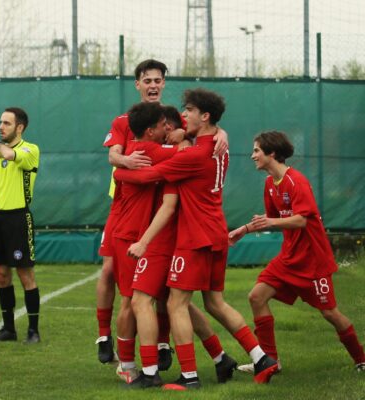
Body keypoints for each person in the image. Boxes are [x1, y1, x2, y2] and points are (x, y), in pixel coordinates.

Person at [114, 88, 278, 390]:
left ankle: (187, 376)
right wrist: (215, 132)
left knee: (175, 303)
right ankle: (261, 358)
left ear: (204, 116)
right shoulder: (218, 145)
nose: (182, 116)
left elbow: (151, 176)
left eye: (187, 110)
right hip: (215, 230)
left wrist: (119, 171)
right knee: (214, 303)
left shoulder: (193, 154)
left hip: (194, 236)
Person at [97, 59, 229, 367]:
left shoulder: (177, 119)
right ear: (138, 84)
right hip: (127, 213)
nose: (153, 85)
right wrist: (123, 163)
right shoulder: (126, 121)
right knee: (118, 279)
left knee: (166, 295)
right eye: (148, 80)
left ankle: (154, 356)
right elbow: (113, 155)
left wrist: (220, 132)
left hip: (164, 216)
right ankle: (108, 342)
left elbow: (202, 133)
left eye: (158, 80)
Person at [228, 130, 365, 373]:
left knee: (330, 313)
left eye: (257, 151)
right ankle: (270, 362)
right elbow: (270, 218)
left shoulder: (296, 181)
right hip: (289, 258)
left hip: (313, 261)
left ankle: (361, 360)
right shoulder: (270, 184)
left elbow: (302, 220)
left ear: (271, 153)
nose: (252, 156)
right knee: (256, 297)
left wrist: (269, 223)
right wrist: (243, 229)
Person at [0, 107, 41, 344]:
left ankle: (33, 330)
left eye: (6, 123)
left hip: (18, 219)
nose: (1, 127)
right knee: (2, 275)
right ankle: (9, 329)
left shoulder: (29, 150)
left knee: (25, 275)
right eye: (0, 122)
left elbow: (11, 156)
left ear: (20, 127)